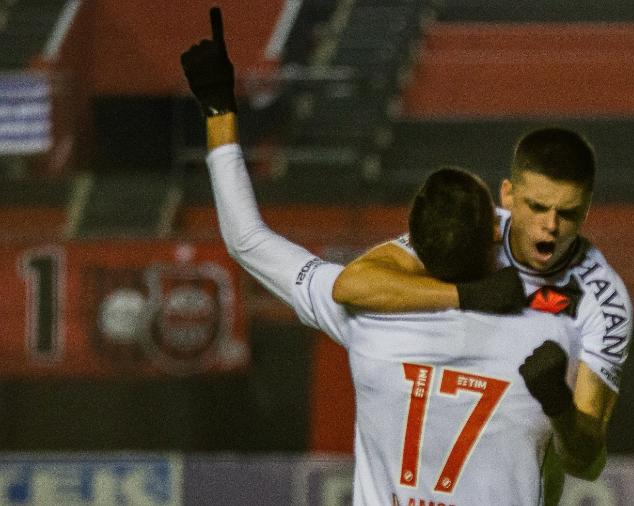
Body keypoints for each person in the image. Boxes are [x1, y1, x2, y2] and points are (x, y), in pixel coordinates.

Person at [181, 8, 605, 504]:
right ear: (496, 233)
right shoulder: (550, 334)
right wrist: (556, 403)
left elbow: (245, 238)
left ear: (413, 246)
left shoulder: (367, 316)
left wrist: (218, 112)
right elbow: (581, 462)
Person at [330, 99, 633, 484]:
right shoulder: (473, 228)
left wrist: (557, 403)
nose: (551, 226)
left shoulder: (604, 302)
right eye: (537, 207)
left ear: (587, 209)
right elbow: (351, 285)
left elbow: (585, 461)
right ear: (507, 195)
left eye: (568, 213)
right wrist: (468, 295)